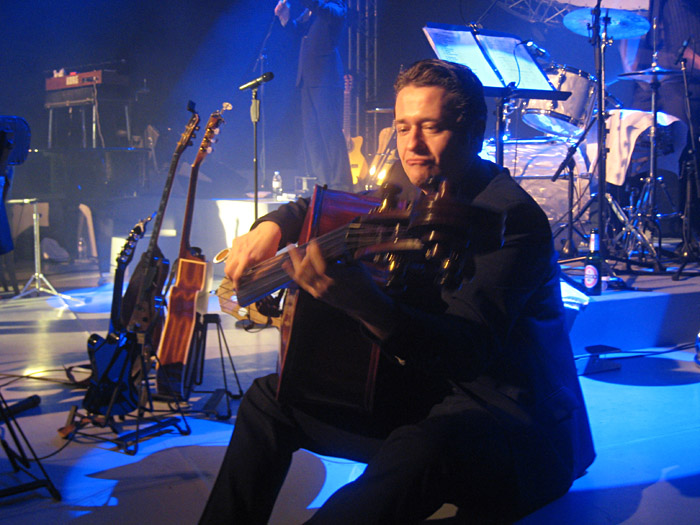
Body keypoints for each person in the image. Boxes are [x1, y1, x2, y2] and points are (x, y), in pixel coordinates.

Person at [200, 59, 595, 524]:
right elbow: (328, 203)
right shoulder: (412, 191)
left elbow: (467, 353)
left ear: (473, 132)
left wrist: (367, 304)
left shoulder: (510, 217)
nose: (413, 145)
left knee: (421, 446)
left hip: (514, 426)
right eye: (403, 127)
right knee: (271, 402)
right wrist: (272, 224)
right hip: (430, 394)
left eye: (431, 127)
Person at [274, 0, 353, 192]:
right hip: (307, 80)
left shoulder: (336, 6)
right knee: (312, 136)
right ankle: (324, 185)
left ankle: (342, 187)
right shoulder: (310, 13)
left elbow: (322, 7)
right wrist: (285, 18)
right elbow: (298, 31)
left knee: (330, 133)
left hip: (326, 78)